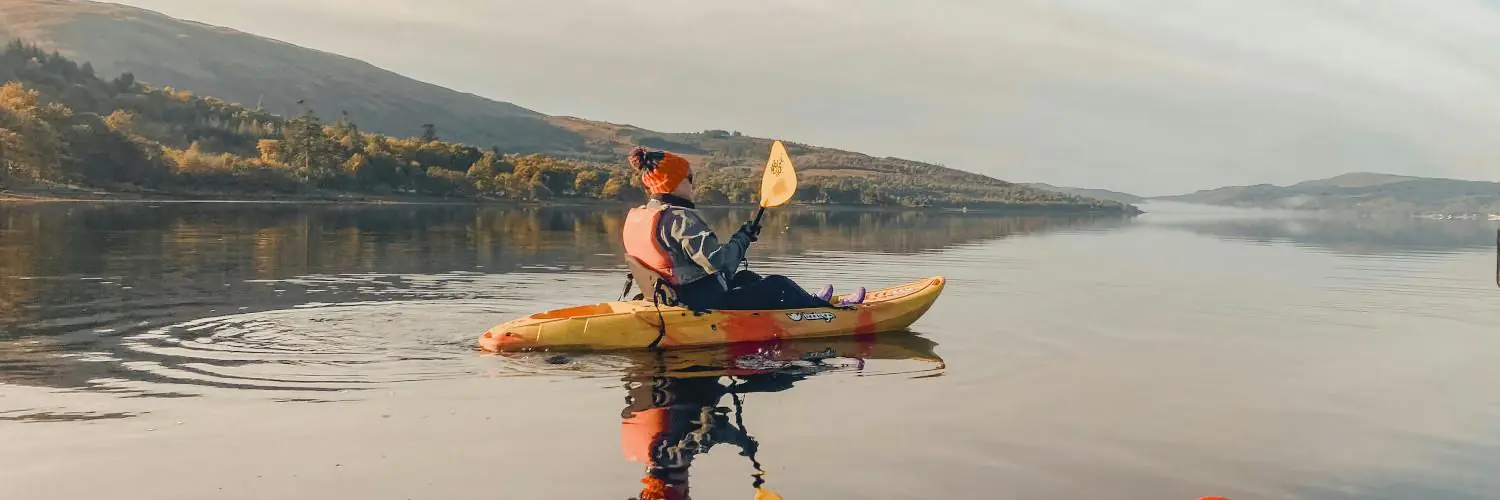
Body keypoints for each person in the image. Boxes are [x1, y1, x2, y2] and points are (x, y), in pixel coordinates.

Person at [621, 146, 863, 311]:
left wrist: (743, 238)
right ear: (673, 183)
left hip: (668, 297)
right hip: (698, 301)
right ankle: (821, 311)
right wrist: (742, 238)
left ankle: (805, 302)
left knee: (747, 278)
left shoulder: (640, 216)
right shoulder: (681, 219)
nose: (693, 185)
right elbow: (720, 263)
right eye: (690, 178)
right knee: (777, 284)